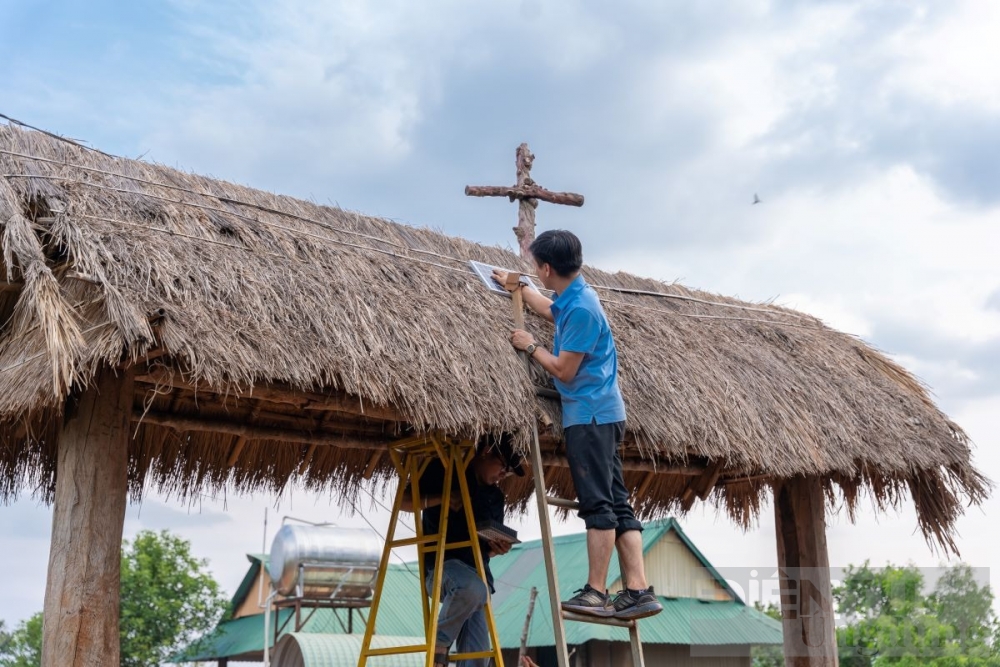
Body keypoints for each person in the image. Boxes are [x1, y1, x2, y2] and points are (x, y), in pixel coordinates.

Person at [493, 229, 663, 621]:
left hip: (589, 416)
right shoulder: (575, 296)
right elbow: (551, 309)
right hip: (601, 414)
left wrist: (531, 345)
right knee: (617, 501)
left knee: (598, 504)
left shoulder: (584, 308)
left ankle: (596, 592)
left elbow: (564, 371)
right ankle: (637, 590)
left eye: (537, 268)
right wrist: (520, 287)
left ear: (548, 267)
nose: (537, 272)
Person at [400, 434, 525, 666]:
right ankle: (439, 644)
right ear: (487, 450)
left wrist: (497, 549)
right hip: (442, 568)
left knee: (478, 657)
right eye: (503, 467)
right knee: (472, 589)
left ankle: (443, 643)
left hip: (477, 573)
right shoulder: (445, 470)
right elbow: (403, 501)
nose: (502, 474)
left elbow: (485, 549)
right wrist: (443, 499)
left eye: (507, 472)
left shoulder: (496, 497)